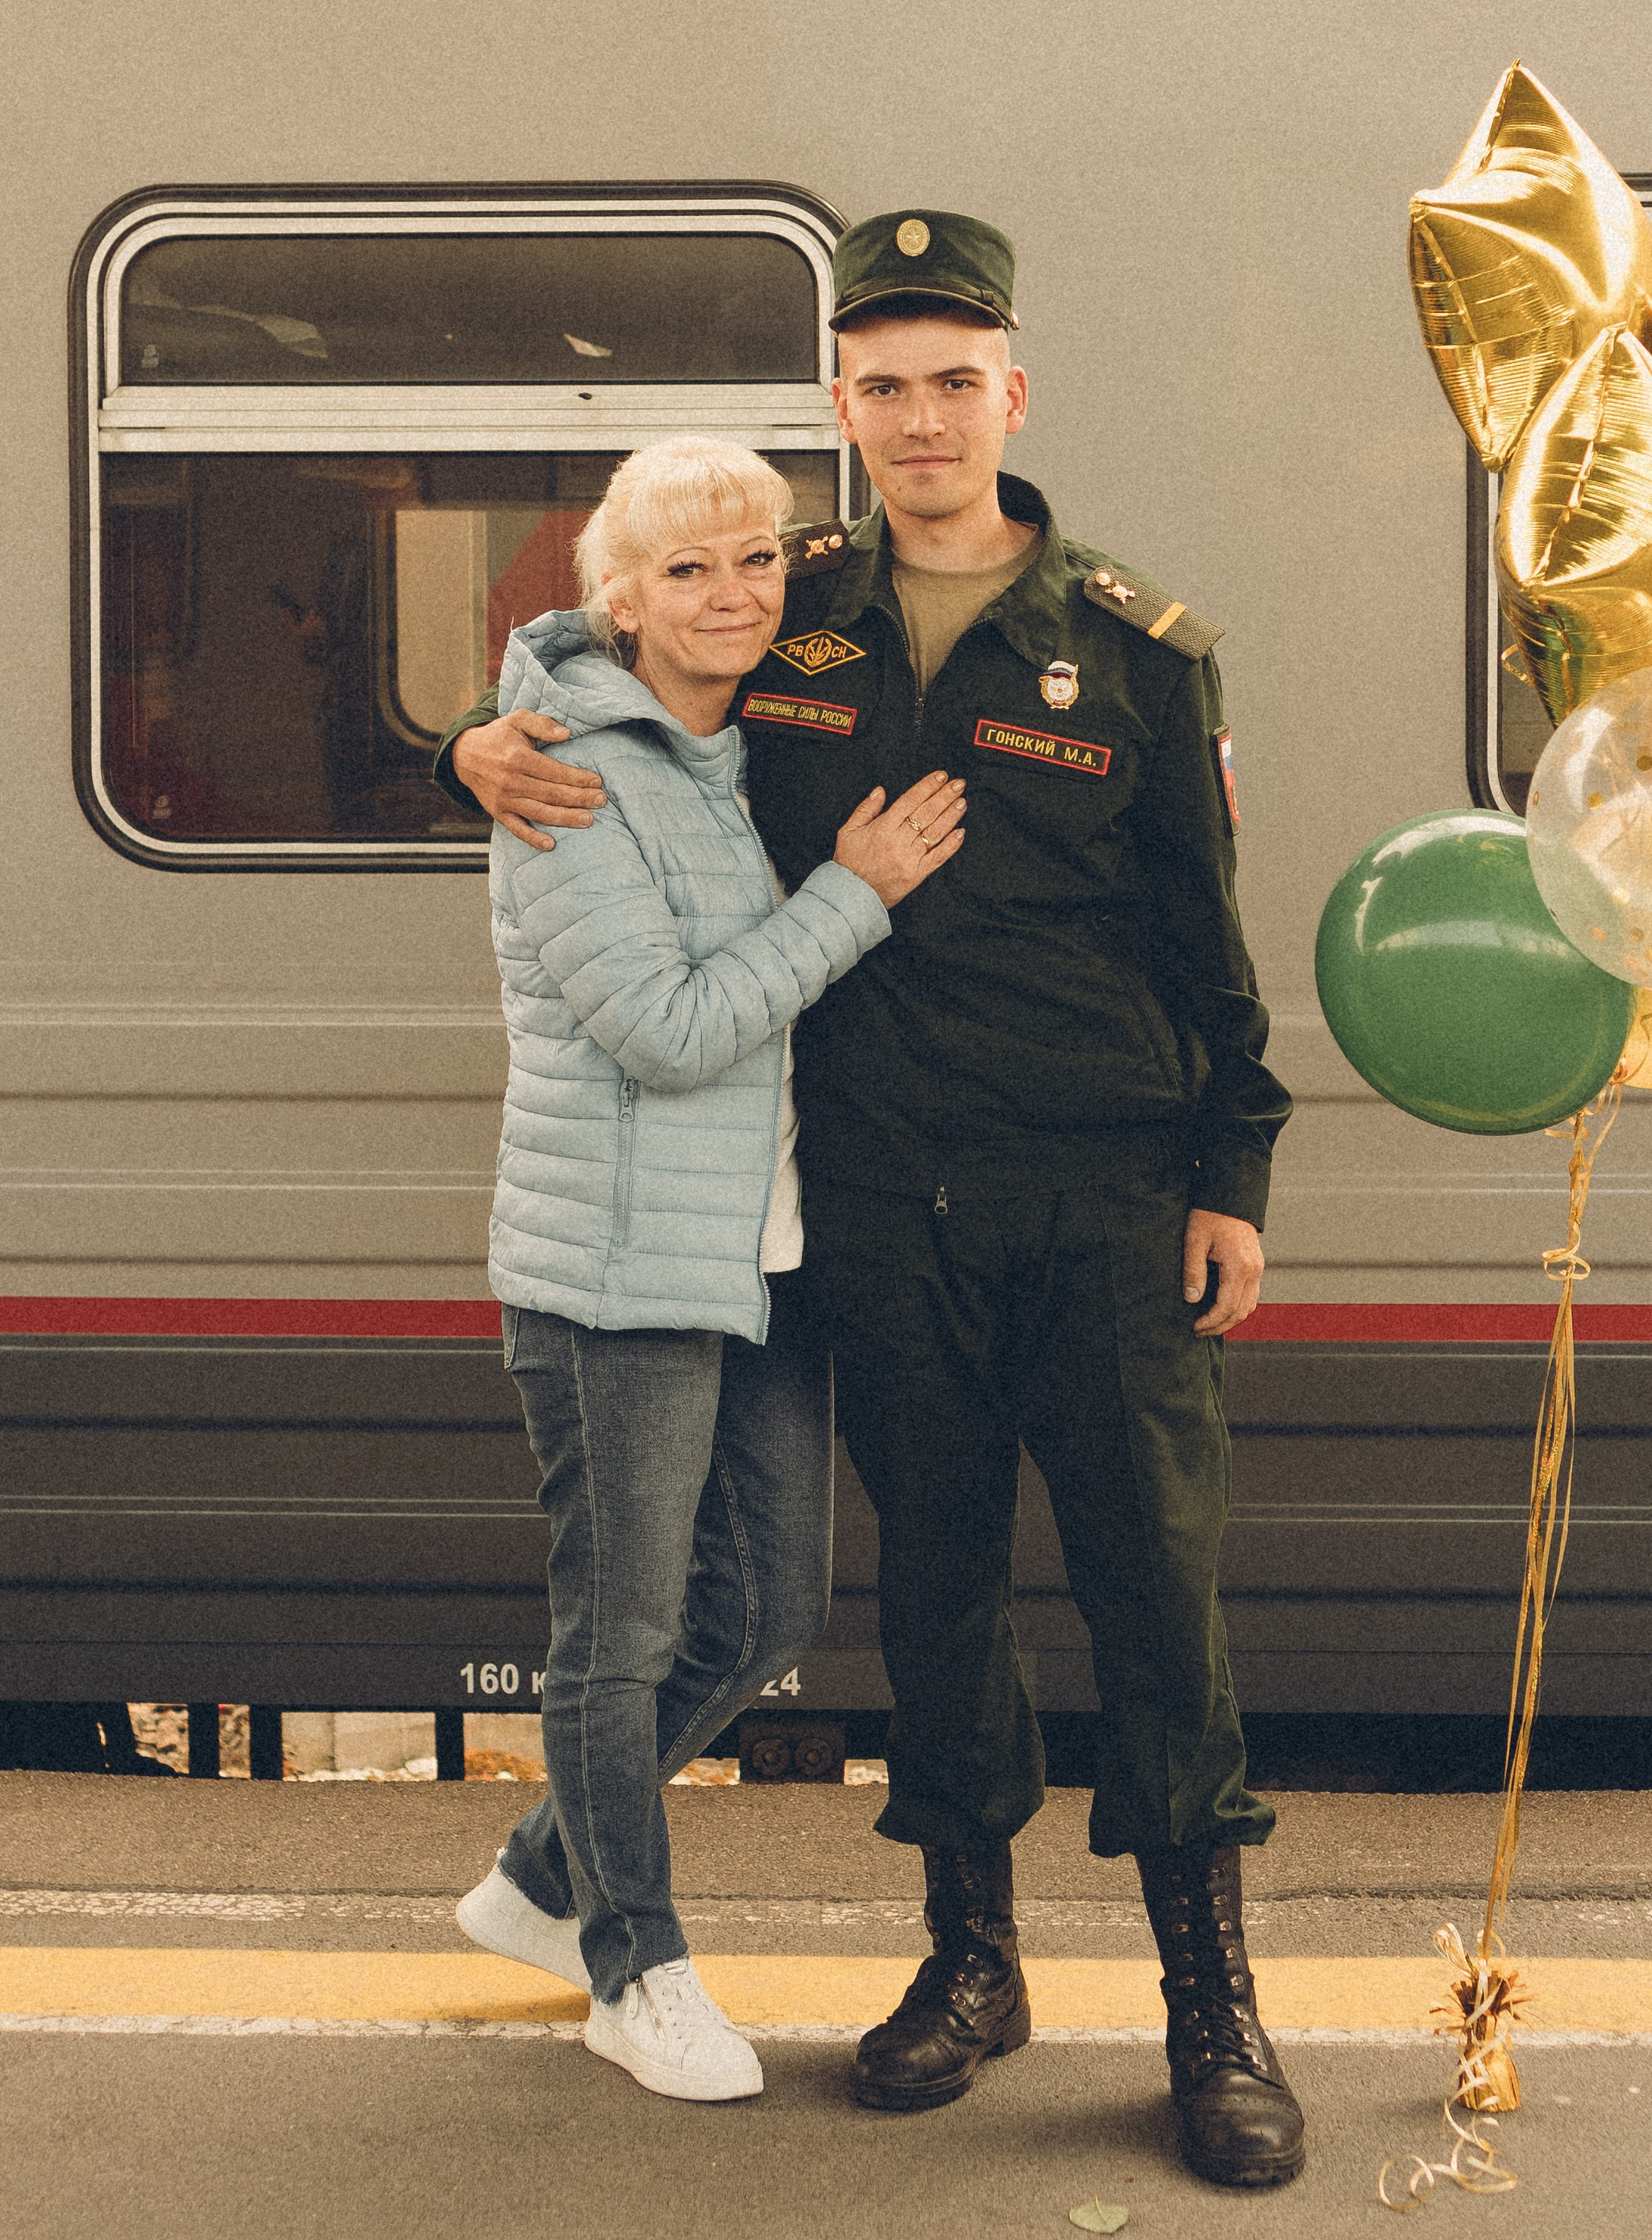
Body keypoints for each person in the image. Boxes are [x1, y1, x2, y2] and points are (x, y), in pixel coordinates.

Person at [438, 215, 1305, 2190]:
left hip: (1098, 1200)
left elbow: (1205, 941)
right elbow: (606, 672)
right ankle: (972, 1965)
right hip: (876, 1215)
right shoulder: (789, 608)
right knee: (935, 1606)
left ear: (1015, 391)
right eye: (882, 380)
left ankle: (1211, 2009)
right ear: (843, 407)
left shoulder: (1143, 648)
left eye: (955, 375)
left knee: (1155, 1606)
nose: (920, 415)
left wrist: (1231, 1173)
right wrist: (470, 743)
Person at [452, 432, 965, 2106]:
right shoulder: (563, 775)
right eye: (686, 569)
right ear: (618, 598)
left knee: (766, 1609)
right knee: (619, 1636)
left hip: (752, 1256)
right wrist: (853, 896)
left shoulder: (740, 741)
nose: (731, 590)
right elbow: (667, 1033)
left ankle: (539, 1880)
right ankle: (632, 1969)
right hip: (612, 1274)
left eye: (754, 557)